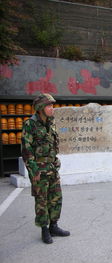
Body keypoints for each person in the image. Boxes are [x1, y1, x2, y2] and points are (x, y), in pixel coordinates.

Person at [21, 93, 70, 244]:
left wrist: (55, 161)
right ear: (40, 108)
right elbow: (26, 150)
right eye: (49, 106)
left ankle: (54, 226)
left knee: (56, 198)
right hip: (39, 169)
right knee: (41, 200)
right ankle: (44, 229)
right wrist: (33, 170)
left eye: (52, 105)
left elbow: (53, 145)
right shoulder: (30, 124)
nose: (52, 108)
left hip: (52, 167)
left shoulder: (51, 122)